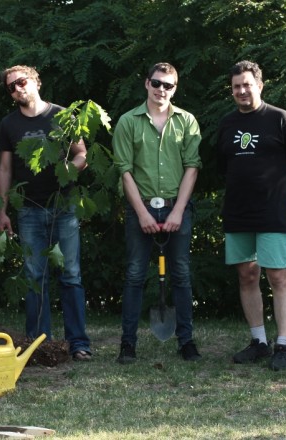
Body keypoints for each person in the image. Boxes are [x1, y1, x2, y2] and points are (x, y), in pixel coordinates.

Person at [216, 60, 286, 371]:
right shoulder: (227, 124)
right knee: (247, 275)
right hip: (238, 212)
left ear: (260, 85)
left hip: (273, 212)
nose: (242, 91)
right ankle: (259, 342)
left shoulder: (281, 119)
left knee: (278, 276)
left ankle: (283, 345)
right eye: (236, 86)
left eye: (247, 84)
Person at [0, 65, 92, 361]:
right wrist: (2, 210)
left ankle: (79, 344)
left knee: (71, 274)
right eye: (11, 87)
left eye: (22, 82)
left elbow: (82, 155)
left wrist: (69, 169)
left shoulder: (63, 116)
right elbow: (5, 169)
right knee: (35, 277)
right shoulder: (9, 125)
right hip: (29, 210)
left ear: (36, 81)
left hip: (64, 206)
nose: (17, 89)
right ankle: (40, 345)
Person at [112, 62, 202, 364]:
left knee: (181, 274)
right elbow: (124, 171)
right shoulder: (127, 121)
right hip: (142, 206)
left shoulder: (187, 121)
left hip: (178, 206)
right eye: (156, 83)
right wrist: (142, 214)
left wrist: (178, 211)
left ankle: (186, 342)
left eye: (168, 85)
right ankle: (128, 344)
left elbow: (192, 167)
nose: (161, 89)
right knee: (135, 274)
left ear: (175, 88)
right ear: (146, 84)